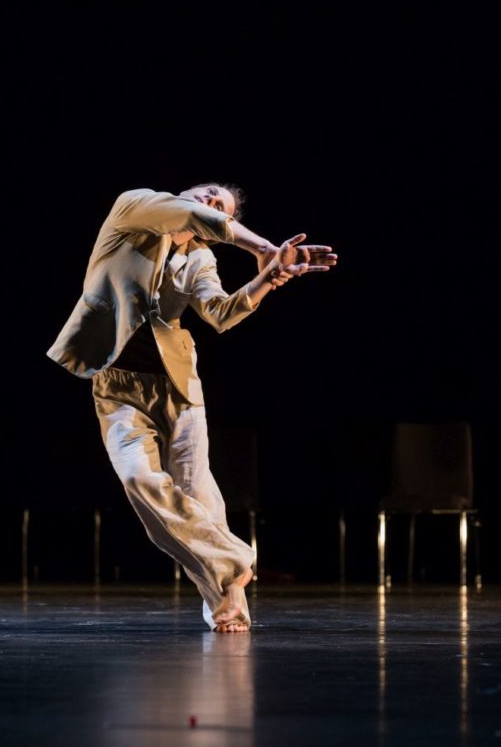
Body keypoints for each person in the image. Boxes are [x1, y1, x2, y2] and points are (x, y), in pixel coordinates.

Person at [46, 184, 336, 632]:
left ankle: (227, 599)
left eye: (223, 207)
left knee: (199, 492)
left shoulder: (201, 257)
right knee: (138, 479)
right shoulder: (134, 209)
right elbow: (195, 217)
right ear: (187, 192)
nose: (212, 204)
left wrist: (267, 278)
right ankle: (237, 561)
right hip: (118, 388)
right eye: (210, 194)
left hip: (179, 387)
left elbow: (219, 312)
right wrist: (264, 246)